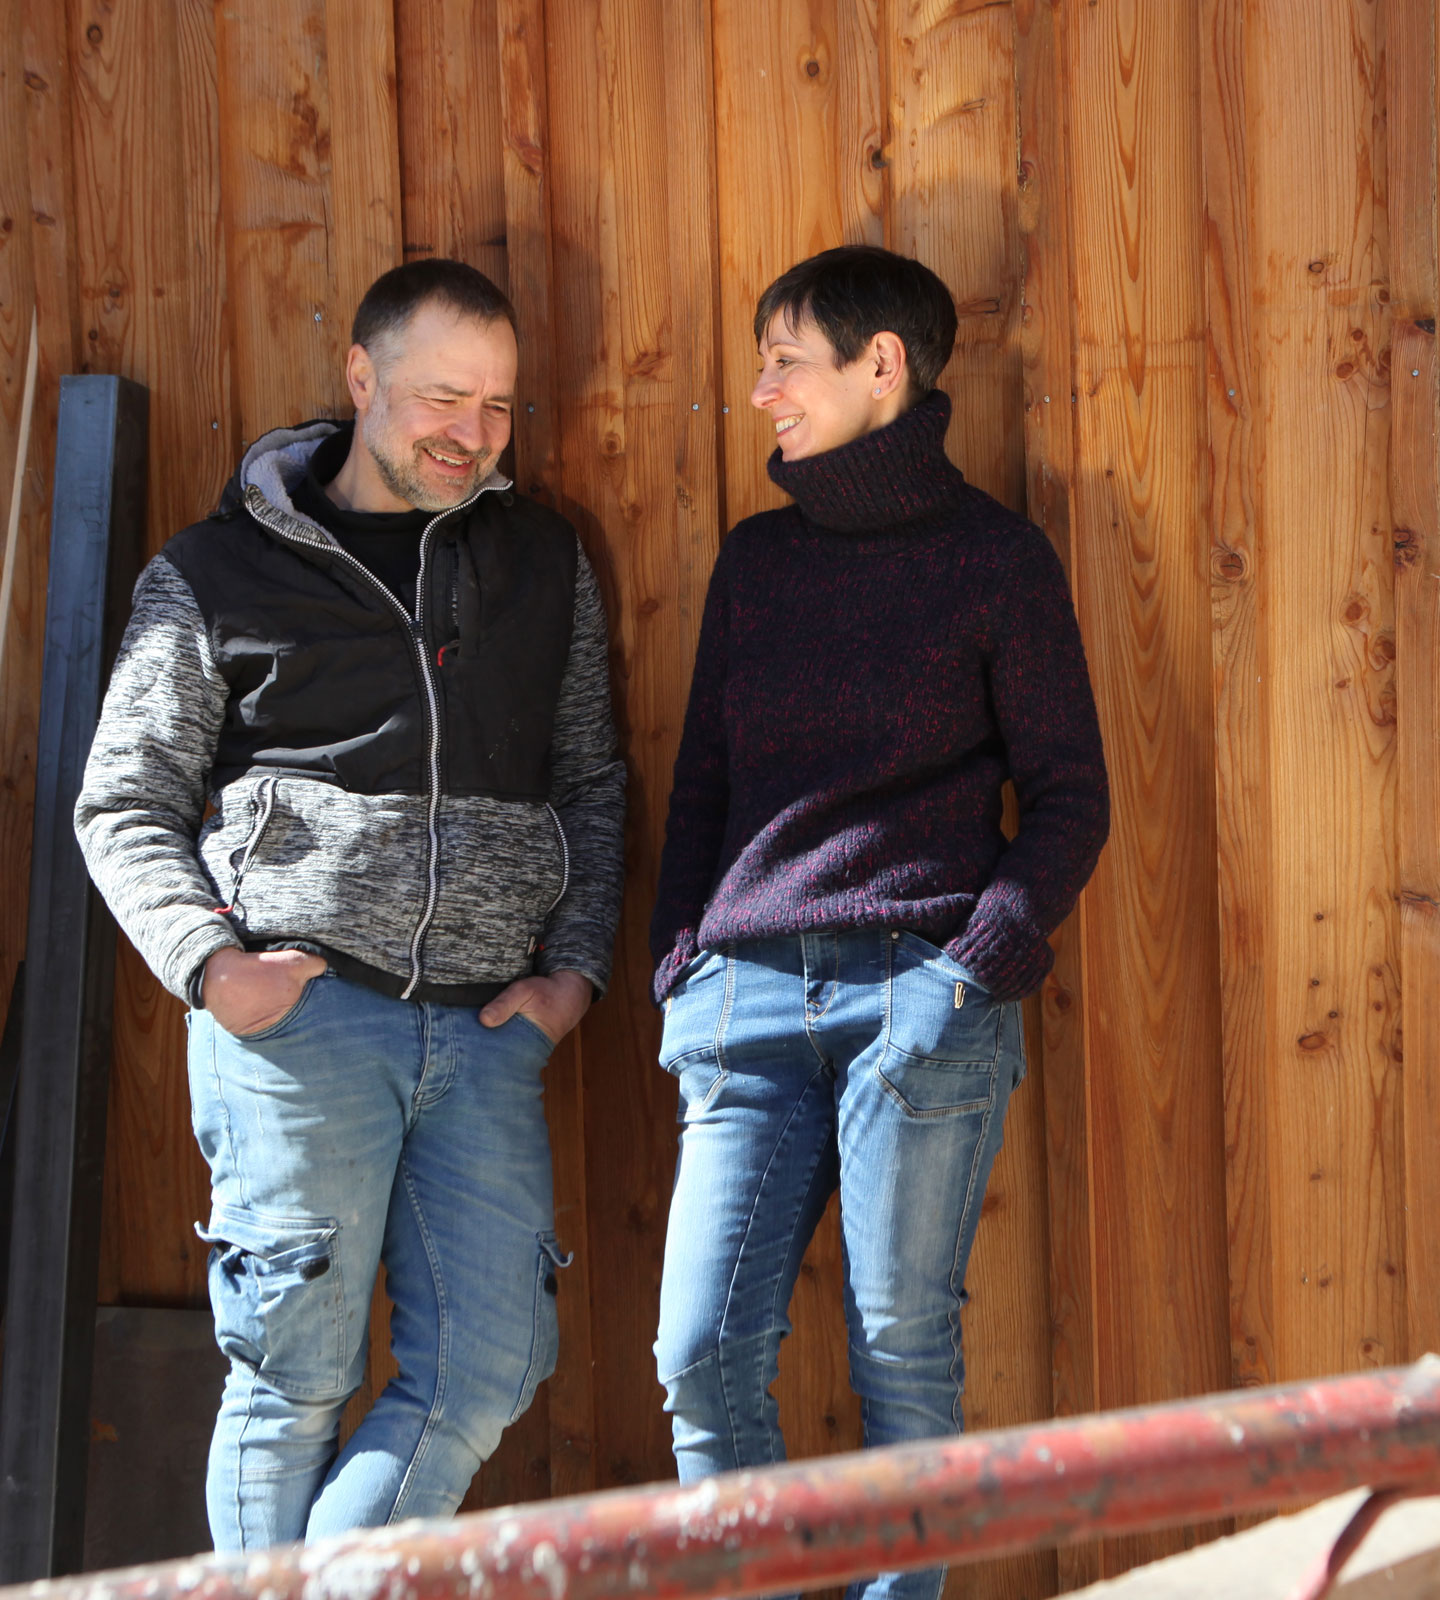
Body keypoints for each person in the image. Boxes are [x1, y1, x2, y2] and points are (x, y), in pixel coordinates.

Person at [76, 259, 625, 1549]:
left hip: (488, 1033)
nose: (473, 435)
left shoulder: (542, 557)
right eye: (444, 397)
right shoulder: (215, 572)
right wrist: (215, 969)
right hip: (301, 1024)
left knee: (491, 1364)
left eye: (498, 407)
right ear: (362, 378)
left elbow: (592, 776)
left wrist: (577, 973)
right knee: (291, 1384)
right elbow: (124, 800)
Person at [650, 245, 1109, 1600]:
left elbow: (1071, 794)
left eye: (784, 361)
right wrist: (682, 962)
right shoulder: (757, 561)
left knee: (902, 1347)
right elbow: (702, 792)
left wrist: (970, 970)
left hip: (923, 995)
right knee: (699, 1354)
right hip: (740, 1007)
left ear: (882, 366)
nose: (760, 393)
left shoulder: (995, 560)